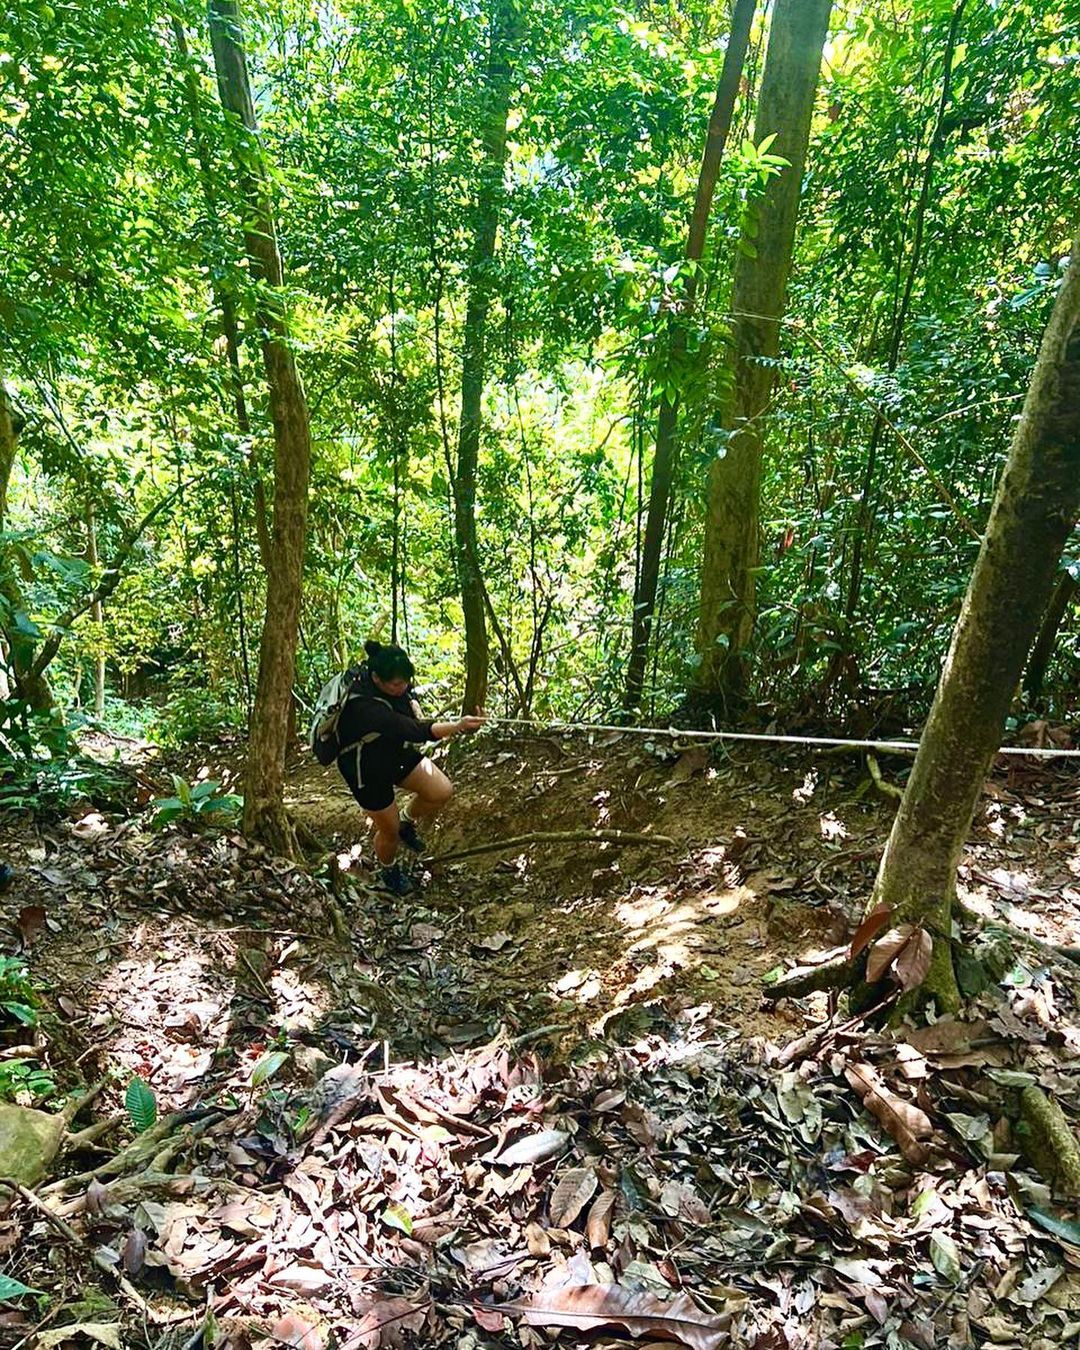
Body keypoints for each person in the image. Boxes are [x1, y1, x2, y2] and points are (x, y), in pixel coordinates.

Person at [335, 639, 484, 895]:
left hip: (392, 752)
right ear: (377, 679)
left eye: (405, 682)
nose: (402, 687)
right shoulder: (365, 707)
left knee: (440, 790)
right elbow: (416, 730)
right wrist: (458, 726)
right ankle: (388, 869)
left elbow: (407, 694)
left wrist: (410, 696)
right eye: (396, 685)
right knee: (388, 832)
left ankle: (406, 822)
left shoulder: (395, 675)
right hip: (365, 768)